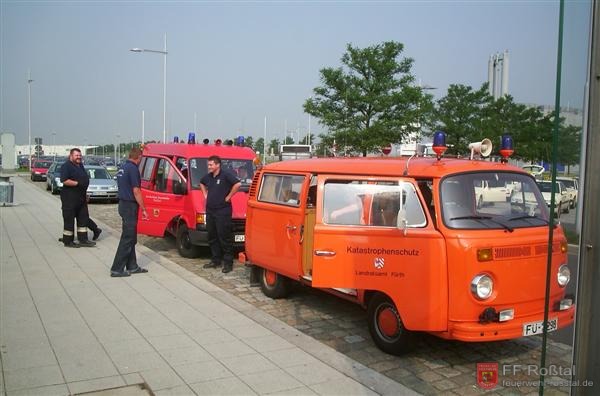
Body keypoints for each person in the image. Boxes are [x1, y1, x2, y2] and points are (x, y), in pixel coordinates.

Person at [110, 147, 149, 277]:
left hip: (122, 203)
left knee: (131, 236)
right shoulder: (133, 169)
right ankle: (117, 268)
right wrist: (143, 208)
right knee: (127, 238)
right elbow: (136, 190)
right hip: (129, 205)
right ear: (138, 157)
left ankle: (132, 265)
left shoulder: (123, 167)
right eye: (141, 158)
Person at [200, 155, 241, 273]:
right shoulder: (208, 177)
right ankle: (215, 260)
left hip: (223, 211)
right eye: (208, 165)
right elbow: (201, 183)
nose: (209, 167)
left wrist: (229, 196)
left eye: (211, 164)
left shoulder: (226, 175)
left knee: (224, 237)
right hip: (210, 211)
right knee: (212, 236)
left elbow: (237, 184)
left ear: (217, 165)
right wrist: (205, 195)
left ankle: (228, 263)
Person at [60, 148, 95, 248]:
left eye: (80, 155)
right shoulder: (66, 166)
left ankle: (83, 239)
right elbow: (64, 180)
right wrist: (78, 184)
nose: (79, 157)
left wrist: (85, 193)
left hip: (81, 198)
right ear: (71, 156)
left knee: (83, 218)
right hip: (69, 198)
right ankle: (68, 241)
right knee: (69, 220)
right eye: (76, 155)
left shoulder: (80, 166)